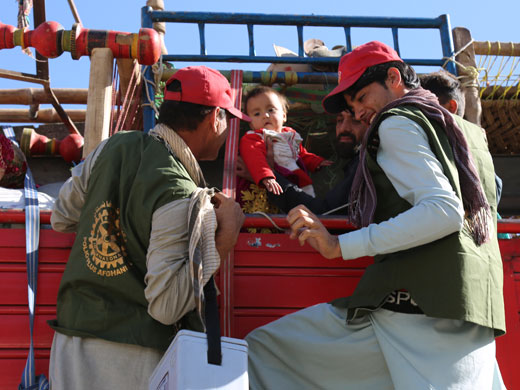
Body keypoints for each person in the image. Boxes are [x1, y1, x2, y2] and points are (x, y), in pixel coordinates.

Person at [246, 41, 506, 389]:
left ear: (394, 79)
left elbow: (443, 211)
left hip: (415, 312)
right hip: (472, 309)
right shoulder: (469, 134)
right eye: (352, 105)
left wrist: (339, 245)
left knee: (261, 351)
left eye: (362, 97)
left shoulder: (395, 122)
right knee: (267, 348)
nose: (358, 112)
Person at [48, 66, 248, 390]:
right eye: (227, 120)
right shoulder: (178, 190)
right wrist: (224, 240)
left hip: (71, 338)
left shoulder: (113, 147)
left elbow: (62, 217)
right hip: (129, 355)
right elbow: (166, 307)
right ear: (214, 119)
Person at [237, 109, 367, 214]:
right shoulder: (252, 139)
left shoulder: (366, 165)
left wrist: (266, 177)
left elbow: (325, 213)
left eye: (355, 120)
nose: (344, 128)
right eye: (339, 120)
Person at [239, 85, 332, 197]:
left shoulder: (290, 135)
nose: (265, 115)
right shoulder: (254, 137)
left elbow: (301, 154)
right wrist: (266, 176)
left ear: (284, 115)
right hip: (265, 181)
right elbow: (254, 157)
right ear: (250, 123)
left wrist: (316, 162)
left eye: (271, 110)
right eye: (257, 114)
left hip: (293, 175)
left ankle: (310, 207)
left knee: (306, 192)